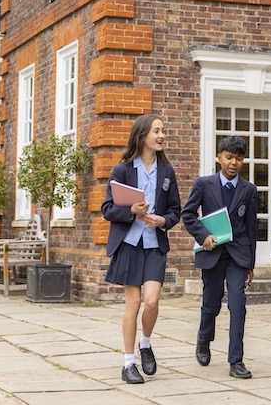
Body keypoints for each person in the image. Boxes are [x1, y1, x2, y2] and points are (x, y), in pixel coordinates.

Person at [101, 114, 181, 384]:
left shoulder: (167, 171)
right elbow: (107, 209)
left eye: (163, 130)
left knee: (152, 301)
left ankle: (145, 343)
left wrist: (163, 221)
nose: (161, 135)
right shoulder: (122, 170)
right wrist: (130, 211)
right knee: (133, 303)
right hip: (129, 245)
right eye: (156, 131)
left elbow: (175, 211)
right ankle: (128, 363)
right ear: (142, 135)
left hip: (154, 244)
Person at [182, 136, 258, 380]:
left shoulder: (249, 189)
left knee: (238, 305)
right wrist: (203, 235)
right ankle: (204, 338)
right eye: (229, 157)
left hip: (238, 254)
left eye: (238, 158)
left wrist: (250, 264)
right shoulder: (204, 184)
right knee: (211, 305)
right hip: (213, 253)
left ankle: (236, 360)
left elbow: (251, 228)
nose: (233, 163)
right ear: (219, 157)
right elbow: (188, 214)